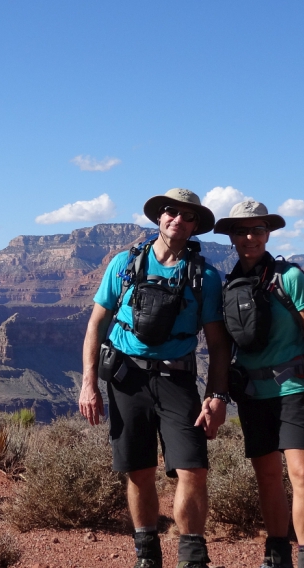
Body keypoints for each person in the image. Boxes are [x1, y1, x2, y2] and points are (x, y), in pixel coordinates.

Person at [80, 188, 231, 568]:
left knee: (193, 468)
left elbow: (217, 343)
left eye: (188, 215)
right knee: (138, 470)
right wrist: (89, 383)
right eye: (170, 211)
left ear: (196, 225)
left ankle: (192, 556)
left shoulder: (205, 276)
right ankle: (147, 554)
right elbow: (96, 324)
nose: (178, 218)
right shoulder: (124, 264)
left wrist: (217, 396)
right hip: (126, 378)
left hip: (177, 380)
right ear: (159, 217)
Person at [213, 200, 304, 568]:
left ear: (268, 234)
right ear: (232, 236)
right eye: (241, 230)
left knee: (302, 475)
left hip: (295, 390)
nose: (249, 237)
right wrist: (216, 395)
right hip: (253, 394)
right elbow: (221, 349)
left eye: (257, 230)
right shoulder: (228, 286)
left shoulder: (289, 277)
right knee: (267, 477)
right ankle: (277, 554)